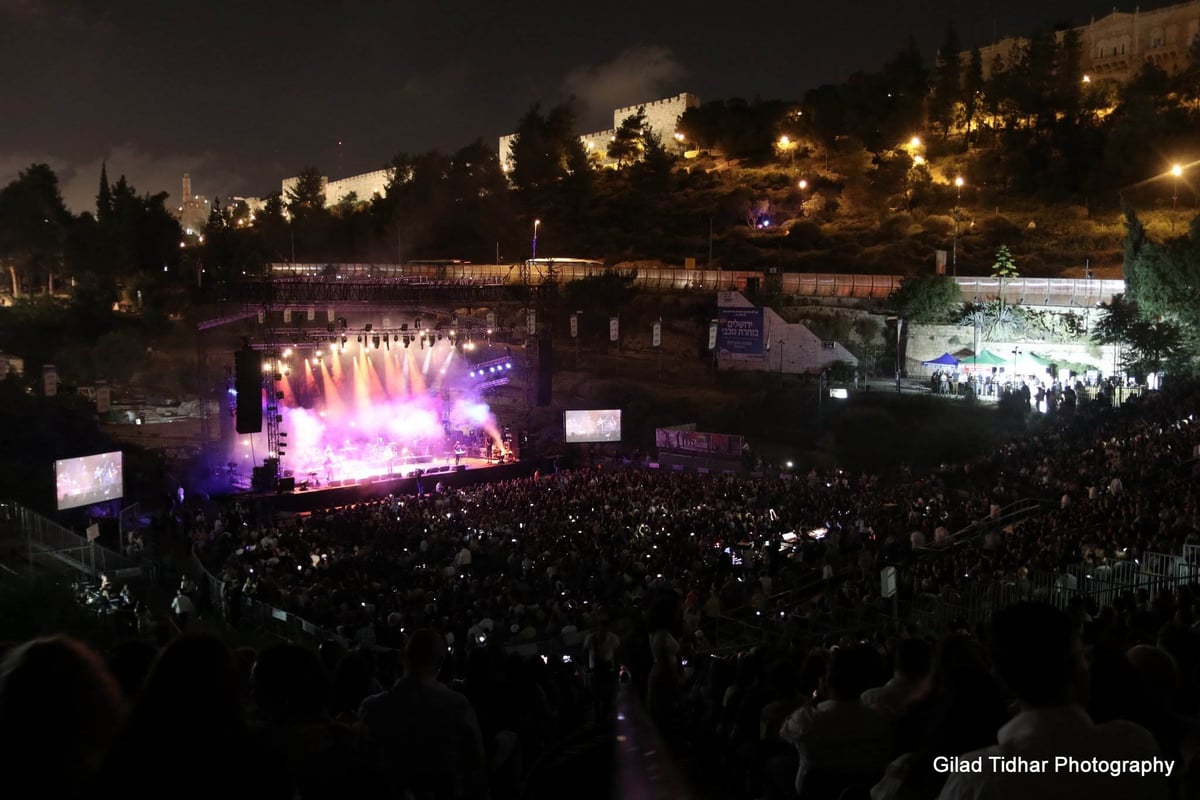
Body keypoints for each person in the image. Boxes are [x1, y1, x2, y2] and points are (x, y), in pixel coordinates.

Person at [937, 603, 1170, 800]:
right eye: (1082, 655)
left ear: (1000, 677)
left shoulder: (975, 779)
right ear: (1077, 669)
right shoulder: (1136, 747)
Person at [359, 628, 487, 799]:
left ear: (402, 657)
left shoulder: (371, 708)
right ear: (441, 662)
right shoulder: (458, 706)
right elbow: (475, 764)